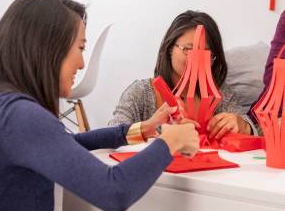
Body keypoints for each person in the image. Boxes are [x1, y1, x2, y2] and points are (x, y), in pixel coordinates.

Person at [0, 0, 199, 211]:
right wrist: (170, 142)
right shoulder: (19, 116)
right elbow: (113, 191)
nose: (81, 63)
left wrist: (138, 130)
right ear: (47, 48)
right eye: (80, 48)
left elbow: (66, 144)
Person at [109, 10, 255, 139]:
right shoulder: (141, 93)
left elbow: (250, 128)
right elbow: (112, 134)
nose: (196, 59)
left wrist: (243, 125)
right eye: (188, 49)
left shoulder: (219, 93)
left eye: (206, 53)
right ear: (170, 48)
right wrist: (151, 129)